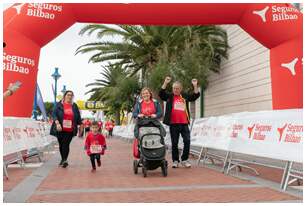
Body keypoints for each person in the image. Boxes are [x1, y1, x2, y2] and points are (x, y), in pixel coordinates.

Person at [159, 76, 200, 168]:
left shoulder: (184, 96)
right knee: (174, 143)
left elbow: (195, 96)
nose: (175, 90)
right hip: (173, 124)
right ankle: (175, 160)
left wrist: (195, 85)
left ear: (181, 89)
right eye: (174, 88)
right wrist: (165, 82)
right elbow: (161, 94)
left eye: (177, 88)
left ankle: (184, 159)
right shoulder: (170, 96)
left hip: (184, 123)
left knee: (187, 140)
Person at [50, 90, 83, 168]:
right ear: (64, 96)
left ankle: (65, 160)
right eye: (68, 95)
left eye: (71, 95)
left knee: (66, 143)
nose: (70, 96)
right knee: (61, 144)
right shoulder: (59, 104)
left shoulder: (74, 105)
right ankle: (63, 159)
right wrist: (57, 123)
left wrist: (81, 125)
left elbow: (78, 116)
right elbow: (54, 114)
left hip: (70, 128)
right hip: (60, 128)